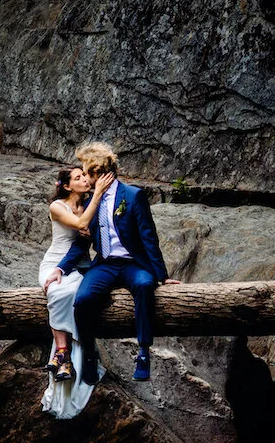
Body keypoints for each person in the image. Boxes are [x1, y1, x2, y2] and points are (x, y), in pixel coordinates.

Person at [51, 141, 180, 385]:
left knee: (144, 285)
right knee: (83, 299)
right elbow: (81, 243)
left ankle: (143, 352)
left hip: (133, 264)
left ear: (97, 172)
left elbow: (149, 237)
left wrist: (162, 276)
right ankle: (89, 354)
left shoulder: (133, 196)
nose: (84, 178)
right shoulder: (90, 203)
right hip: (105, 264)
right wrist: (60, 268)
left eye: (86, 172)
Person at [39, 167, 112, 417]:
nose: (85, 179)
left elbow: (92, 234)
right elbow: (80, 223)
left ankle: (76, 361)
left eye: (85, 176)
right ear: (67, 186)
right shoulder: (57, 207)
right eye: (78, 177)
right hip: (56, 264)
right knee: (60, 293)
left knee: (83, 297)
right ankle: (62, 354)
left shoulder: (90, 203)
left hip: (81, 265)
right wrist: (100, 193)